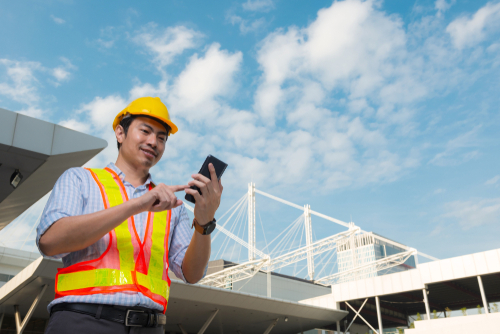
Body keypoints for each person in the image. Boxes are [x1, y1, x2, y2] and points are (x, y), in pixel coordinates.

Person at [36, 97, 222, 333]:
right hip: (83, 320)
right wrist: (136, 205)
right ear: (120, 133)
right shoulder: (80, 180)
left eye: (162, 138)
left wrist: (204, 222)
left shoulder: (172, 206)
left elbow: (192, 274)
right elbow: (50, 243)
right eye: (145, 131)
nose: (154, 142)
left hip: (150, 326)